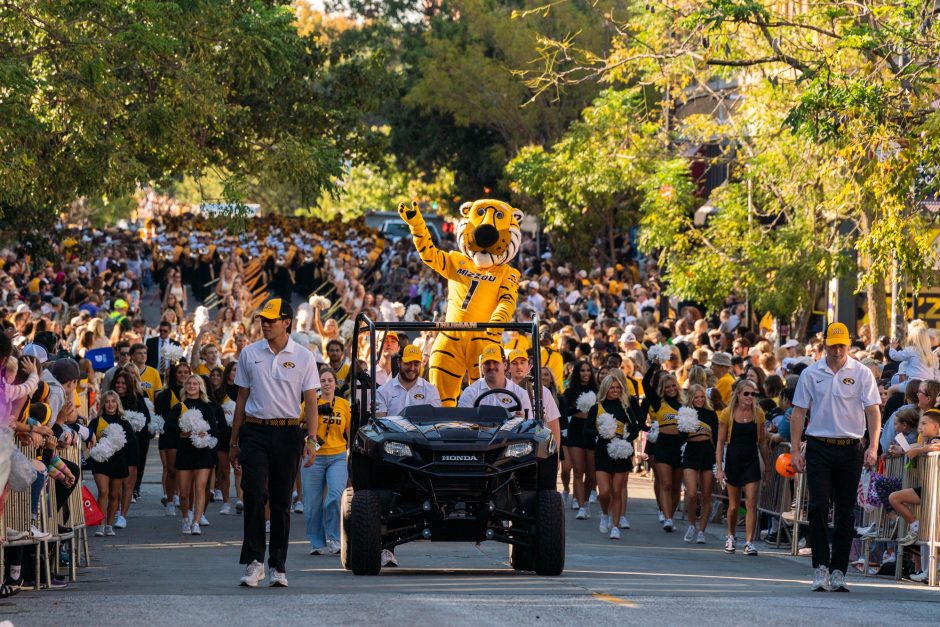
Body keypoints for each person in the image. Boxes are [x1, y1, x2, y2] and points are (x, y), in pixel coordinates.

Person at [230, 298, 320, 588]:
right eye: (262, 320)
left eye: (271, 320)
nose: (265, 324)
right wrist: (233, 442)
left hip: (288, 432)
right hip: (255, 431)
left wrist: (312, 440)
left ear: (287, 323)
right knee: (254, 493)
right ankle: (254, 561)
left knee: (282, 501)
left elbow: (311, 402)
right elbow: (241, 399)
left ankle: (278, 566)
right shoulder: (248, 353)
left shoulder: (305, 356)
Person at [789, 322, 882, 593]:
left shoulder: (862, 373)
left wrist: (873, 447)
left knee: (845, 510)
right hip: (819, 445)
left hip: (850, 447)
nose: (837, 349)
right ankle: (820, 566)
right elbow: (798, 412)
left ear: (849, 344)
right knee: (817, 505)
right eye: (833, 344)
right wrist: (795, 449)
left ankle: (839, 569)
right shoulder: (810, 373)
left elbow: (873, 411)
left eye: (842, 344)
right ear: (825, 344)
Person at [715, 379, 769, 556]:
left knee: (752, 502)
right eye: (746, 393)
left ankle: (749, 542)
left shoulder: (758, 414)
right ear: (738, 394)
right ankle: (730, 536)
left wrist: (767, 466)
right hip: (733, 459)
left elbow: (761, 442)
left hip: (751, 458)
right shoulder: (727, 413)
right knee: (733, 505)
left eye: (753, 394)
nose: (750, 397)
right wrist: (720, 469)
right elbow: (720, 443)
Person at [584, 374, 639, 540]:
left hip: (621, 451)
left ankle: (615, 527)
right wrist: (601, 433)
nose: (615, 390)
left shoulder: (625, 407)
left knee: (616, 490)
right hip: (602, 451)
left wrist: (626, 442)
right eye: (612, 388)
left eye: (618, 388)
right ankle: (604, 514)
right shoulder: (597, 408)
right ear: (605, 389)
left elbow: (635, 429)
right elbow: (586, 429)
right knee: (604, 492)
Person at [302, 367, 350, 556]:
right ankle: (316, 542)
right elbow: (297, 422)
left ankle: (335, 538)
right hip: (314, 457)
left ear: (336, 383)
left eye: (330, 380)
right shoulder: (309, 403)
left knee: (336, 496)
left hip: (338, 455)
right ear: (317, 383)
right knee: (312, 503)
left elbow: (349, 430)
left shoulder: (344, 405)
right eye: (323, 380)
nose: (327, 383)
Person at [173, 375, 223, 535]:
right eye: (189, 383)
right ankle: (186, 518)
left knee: (201, 487)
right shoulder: (179, 406)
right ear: (185, 386)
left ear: (200, 387)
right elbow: (169, 428)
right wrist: (181, 433)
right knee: (184, 492)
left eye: (195, 383)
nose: (192, 386)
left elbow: (215, 429)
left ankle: (196, 521)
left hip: (203, 452)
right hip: (185, 452)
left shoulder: (208, 406)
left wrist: (204, 432)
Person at [642, 362, 684, 532]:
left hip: (680, 446)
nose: (671, 389)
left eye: (674, 385)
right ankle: (667, 518)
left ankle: (670, 515)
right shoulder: (658, 402)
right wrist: (654, 365)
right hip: (663, 444)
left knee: (675, 487)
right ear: (662, 388)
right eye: (668, 386)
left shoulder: (684, 404)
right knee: (665, 484)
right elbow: (645, 383)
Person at [890, 408, 940, 548]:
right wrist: (900, 450)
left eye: (924, 423)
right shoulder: (928, 440)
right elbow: (916, 446)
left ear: (936, 426)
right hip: (928, 488)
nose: (920, 427)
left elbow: (936, 446)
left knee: (935, 533)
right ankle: (915, 527)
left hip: (936, 490)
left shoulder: (936, 440)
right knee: (894, 497)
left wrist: (918, 450)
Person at [88, 391, 132, 537]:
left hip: (118, 462)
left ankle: (109, 525)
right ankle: (100, 525)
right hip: (101, 462)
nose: (110, 404)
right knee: (103, 492)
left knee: (114, 495)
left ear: (117, 403)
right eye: (107, 401)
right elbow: (88, 441)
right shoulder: (96, 421)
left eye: (113, 401)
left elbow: (131, 442)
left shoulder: (124, 422)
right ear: (103, 404)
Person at [681, 383, 718, 544]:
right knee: (690, 493)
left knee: (706, 494)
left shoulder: (711, 414)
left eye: (702, 397)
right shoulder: (685, 413)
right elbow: (679, 438)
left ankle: (702, 530)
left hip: (707, 453)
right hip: (690, 452)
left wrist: (719, 459)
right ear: (691, 398)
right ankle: (691, 524)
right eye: (696, 397)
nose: (700, 400)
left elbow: (716, 439)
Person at [457, 344, 533, 419]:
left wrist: (520, 421)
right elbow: (463, 424)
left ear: (505, 364)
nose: (491, 366)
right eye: (487, 363)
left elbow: (529, 424)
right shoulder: (470, 392)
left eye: (495, 362)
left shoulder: (520, 393)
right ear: (481, 367)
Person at [155, 361, 192, 516]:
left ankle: (184, 500)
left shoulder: (193, 392)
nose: (183, 375)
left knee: (186, 470)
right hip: (170, 436)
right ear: (174, 375)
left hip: (188, 436)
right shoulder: (166, 394)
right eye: (179, 372)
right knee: (171, 470)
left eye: (186, 372)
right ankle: (170, 500)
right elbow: (161, 415)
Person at [562, 360, 597, 518]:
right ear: (577, 373)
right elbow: (565, 412)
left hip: (592, 431)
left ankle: (585, 499)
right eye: (582, 371)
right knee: (578, 470)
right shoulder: (570, 392)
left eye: (588, 370)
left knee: (591, 473)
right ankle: (581, 506)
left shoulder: (597, 390)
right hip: (576, 430)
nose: (585, 373)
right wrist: (579, 407)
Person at [375, 344, 442, 417]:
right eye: (408, 363)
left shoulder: (431, 390)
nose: (412, 368)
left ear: (420, 365)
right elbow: (380, 423)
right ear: (399, 362)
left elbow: (435, 421)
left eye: (416, 364)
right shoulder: (383, 391)